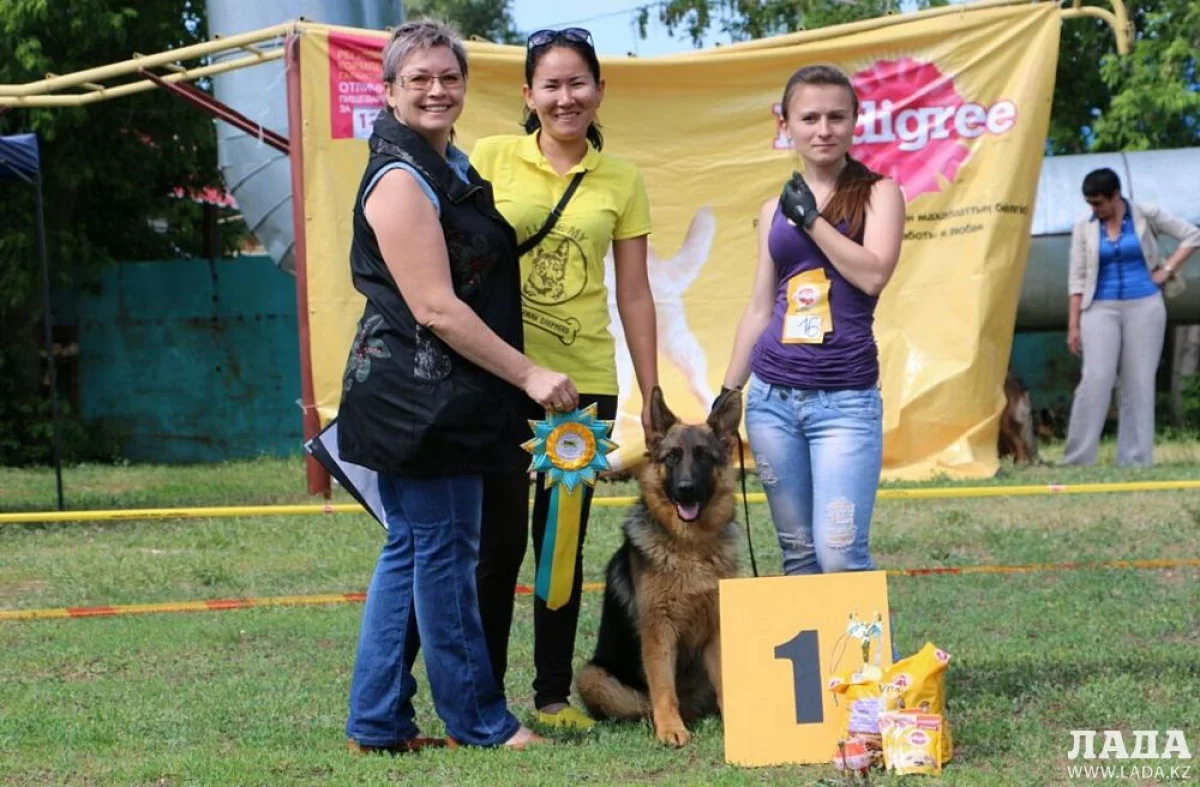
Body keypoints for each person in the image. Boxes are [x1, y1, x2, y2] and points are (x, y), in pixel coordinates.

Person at [338, 20, 578, 753]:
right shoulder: (400, 179)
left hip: (435, 397)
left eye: (449, 76)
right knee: (443, 556)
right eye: (419, 78)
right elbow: (436, 308)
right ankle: (480, 721)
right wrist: (530, 373)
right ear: (390, 91)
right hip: (420, 404)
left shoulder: (446, 163)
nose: (437, 89)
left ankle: (378, 720)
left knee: (414, 549)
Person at [468, 27, 659, 731]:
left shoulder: (622, 178)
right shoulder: (490, 158)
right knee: (497, 545)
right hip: (498, 376)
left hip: (581, 390)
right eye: (550, 84)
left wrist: (651, 391)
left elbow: (634, 293)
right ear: (528, 94)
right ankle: (484, 696)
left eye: (578, 82)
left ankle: (551, 697)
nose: (565, 97)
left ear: (600, 91)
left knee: (560, 547)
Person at [719, 64, 904, 578]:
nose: (824, 129)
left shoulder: (880, 193)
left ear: (855, 122)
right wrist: (729, 390)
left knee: (840, 552)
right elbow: (760, 306)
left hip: (845, 400)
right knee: (799, 554)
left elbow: (873, 276)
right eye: (809, 118)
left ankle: (859, 639)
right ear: (786, 125)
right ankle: (817, 641)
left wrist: (812, 221)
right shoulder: (771, 209)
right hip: (771, 400)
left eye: (836, 117)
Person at [1063, 167, 1200, 467]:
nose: (1095, 209)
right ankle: (1077, 459)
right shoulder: (1083, 226)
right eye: (1090, 203)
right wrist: (1073, 325)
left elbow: (1192, 235)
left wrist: (1167, 270)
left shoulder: (1144, 214)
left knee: (1138, 381)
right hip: (1099, 307)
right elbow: (1077, 278)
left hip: (1144, 305)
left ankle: (1135, 459)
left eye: (1099, 203)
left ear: (1115, 195)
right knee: (1096, 378)